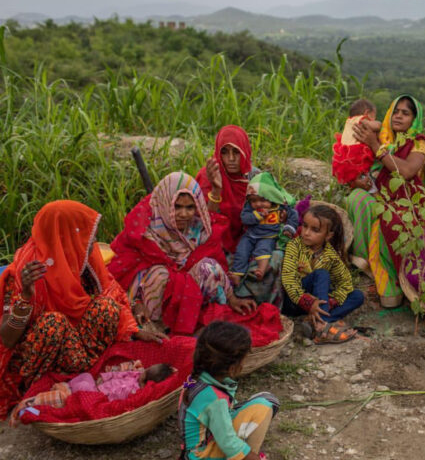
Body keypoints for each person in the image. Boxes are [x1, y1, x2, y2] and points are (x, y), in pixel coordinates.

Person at [0, 201, 165, 416]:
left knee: (105, 308)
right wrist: (25, 297)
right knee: (53, 324)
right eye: (86, 235)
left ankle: (85, 379)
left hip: (78, 351)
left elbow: (112, 293)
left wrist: (135, 330)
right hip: (44, 355)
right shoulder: (27, 272)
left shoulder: (81, 262)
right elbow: (7, 339)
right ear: (64, 237)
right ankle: (45, 385)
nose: (92, 242)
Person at [109, 172, 256, 336]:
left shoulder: (197, 228)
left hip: (189, 299)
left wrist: (232, 298)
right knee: (160, 274)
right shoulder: (144, 231)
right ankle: (153, 329)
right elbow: (130, 273)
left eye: (190, 207)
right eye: (177, 206)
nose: (184, 214)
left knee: (209, 267)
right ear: (165, 203)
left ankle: (199, 323)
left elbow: (215, 262)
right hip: (153, 300)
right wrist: (136, 304)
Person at [348, 94, 425, 307]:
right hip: (383, 197)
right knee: (357, 198)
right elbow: (365, 126)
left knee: (389, 218)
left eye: (406, 113)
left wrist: (376, 147)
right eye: (396, 111)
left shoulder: (420, 144)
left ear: (414, 119)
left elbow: (408, 171)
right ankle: (367, 265)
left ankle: (393, 284)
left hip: (412, 205)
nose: (399, 116)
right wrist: (358, 182)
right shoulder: (385, 137)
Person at [179, 322, 281, 460]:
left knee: (267, 400)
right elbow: (227, 441)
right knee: (265, 406)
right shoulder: (214, 399)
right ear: (233, 367)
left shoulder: (199, 375)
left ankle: (241, 459)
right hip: (204, 456)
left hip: (202, 442)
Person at [281, 205, 364, 343]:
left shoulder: (331, 255)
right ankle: (323, 325)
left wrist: (332, 301)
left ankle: (315, 322)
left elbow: (345, 282)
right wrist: (310, 303)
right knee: (321, 274)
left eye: (315, 230)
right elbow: (289, 281)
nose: (306, 233)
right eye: (305, 226)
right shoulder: (294, 246)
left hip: (319, 301)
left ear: (328, 236)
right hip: (294, 301)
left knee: (357, 296)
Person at [11, 361, 174, 424]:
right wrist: (103, 378)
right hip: (97, 387)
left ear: (149, 381)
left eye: (146, 372)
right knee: (86, 376)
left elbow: (123, 404)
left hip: (97, 397)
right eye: (146, 368)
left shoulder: (139, 391)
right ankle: (66, 387)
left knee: (81, 387)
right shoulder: (134, 373)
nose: (143, 370)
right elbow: (116, 373)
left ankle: (66, 395)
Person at [196, 125, 257, 253]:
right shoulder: (209, 176)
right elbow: (204, 224)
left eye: (236, 152)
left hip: (249, 238)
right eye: (224, 152)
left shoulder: (254, 177)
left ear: (245, 151)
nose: (231, 159)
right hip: (218, 242)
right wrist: (216, 189)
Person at [230, 172, 298, 285]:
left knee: (263, 249)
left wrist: (288, 228)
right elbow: (244, 218)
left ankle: (261, 269)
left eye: (262, 200)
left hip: (268, 236)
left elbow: (294, 215)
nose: (258, 204)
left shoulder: (279, 206)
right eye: (253, 200)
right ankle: (237, 274)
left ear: (271, 197)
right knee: (241, 250)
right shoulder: (249, 208)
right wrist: (257, 215)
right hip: (250, 235)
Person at [332, 99, 385, 191]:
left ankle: (353, 184)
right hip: (355, 156)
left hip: (342, 158)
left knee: (354, 178)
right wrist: (380, 124)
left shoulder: (348, 121)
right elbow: (376, 126)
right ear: (367, 113)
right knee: (369, 183)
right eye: (374, 116)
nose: (374, 119)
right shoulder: (362, 119)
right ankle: (375, 196)